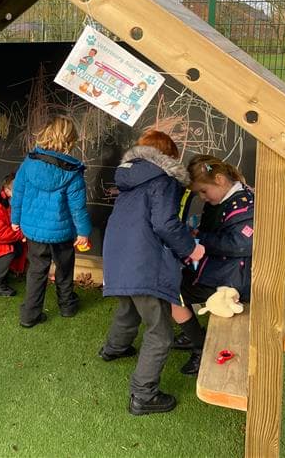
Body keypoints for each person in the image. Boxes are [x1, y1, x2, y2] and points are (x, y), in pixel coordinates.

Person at [99, 130, 204, 415]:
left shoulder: (129, 179)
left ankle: (114, 348)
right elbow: (165, 224)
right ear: (168, 156)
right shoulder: (164, 180)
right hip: (144, 261)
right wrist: (190, 249)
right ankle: (143, 396)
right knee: (159, 333)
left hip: (117, 257)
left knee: (127, 309)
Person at [172, 154, 255, 376]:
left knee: (173, 291)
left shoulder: (244, 206)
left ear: (219, 179)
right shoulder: (229, 198)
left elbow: (242, 244)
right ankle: (192, 333)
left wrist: (203, 239)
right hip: (224, 269)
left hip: (235, 279)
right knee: (176, 283)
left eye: (203, 191)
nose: (202, 197)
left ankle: (198, 345)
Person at [11, 115, 91, 327]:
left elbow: (17, 193)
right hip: (62, 231)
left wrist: (15, 219)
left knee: (37, 269)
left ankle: (30, 315)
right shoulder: (72, 172)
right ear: (70, 140)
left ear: (45, 135)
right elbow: (78, 207)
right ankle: (67, 306)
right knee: (64, 267)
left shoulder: (29, 163)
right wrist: (83, 232)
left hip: (34, 231)